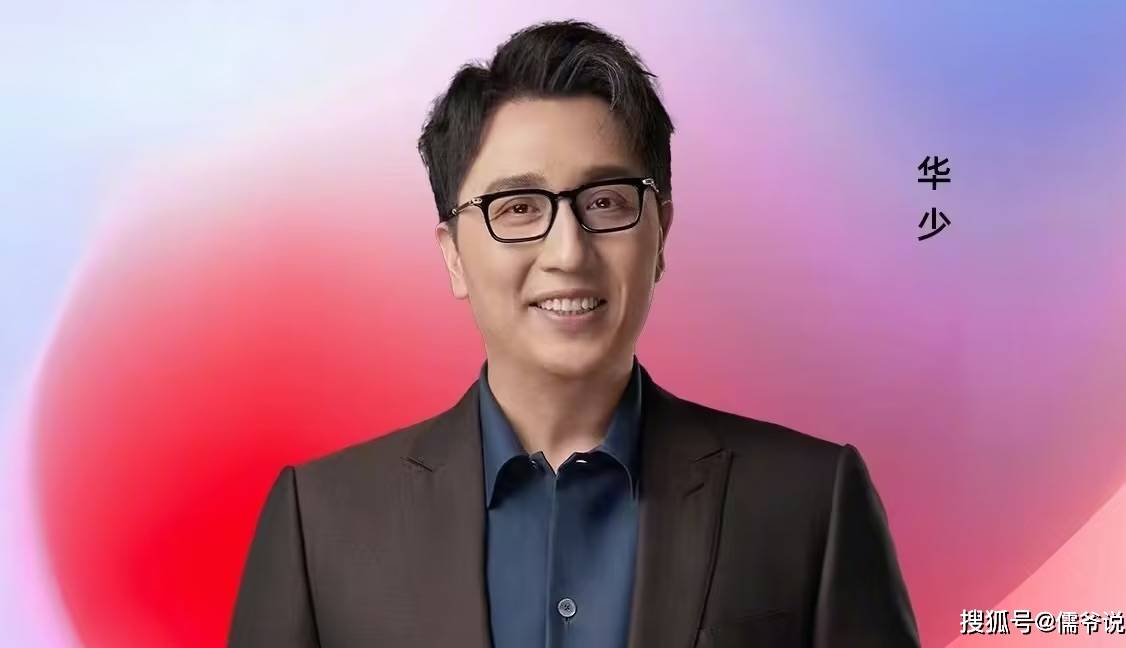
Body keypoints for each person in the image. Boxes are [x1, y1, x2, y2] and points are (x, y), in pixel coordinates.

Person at [228, 19, 920, 648]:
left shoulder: (810, 501)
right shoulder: (319, 522)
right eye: (519, 207)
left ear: (660, 235)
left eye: (606, 201)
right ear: (453, 255)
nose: (568, 251)